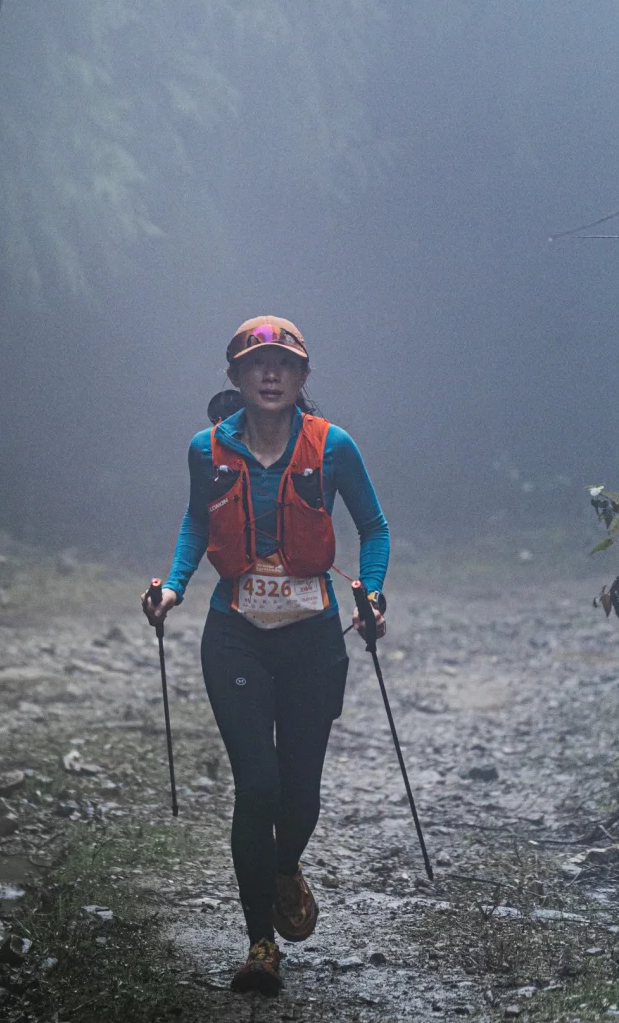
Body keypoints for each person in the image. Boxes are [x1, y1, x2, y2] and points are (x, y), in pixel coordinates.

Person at [142, 316, 389, 997]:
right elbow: (197, 520)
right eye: (256, 365)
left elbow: (372, 527)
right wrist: (171, 586)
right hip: (235, 631)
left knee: (298, 789)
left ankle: (284, 865)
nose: (271, 374)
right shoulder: (206, 449)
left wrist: (371, 592)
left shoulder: (333, 447)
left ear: (303, 377)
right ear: (236, 379)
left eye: (284, 363)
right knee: (256, 785)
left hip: (312, 634)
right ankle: (259, 944)